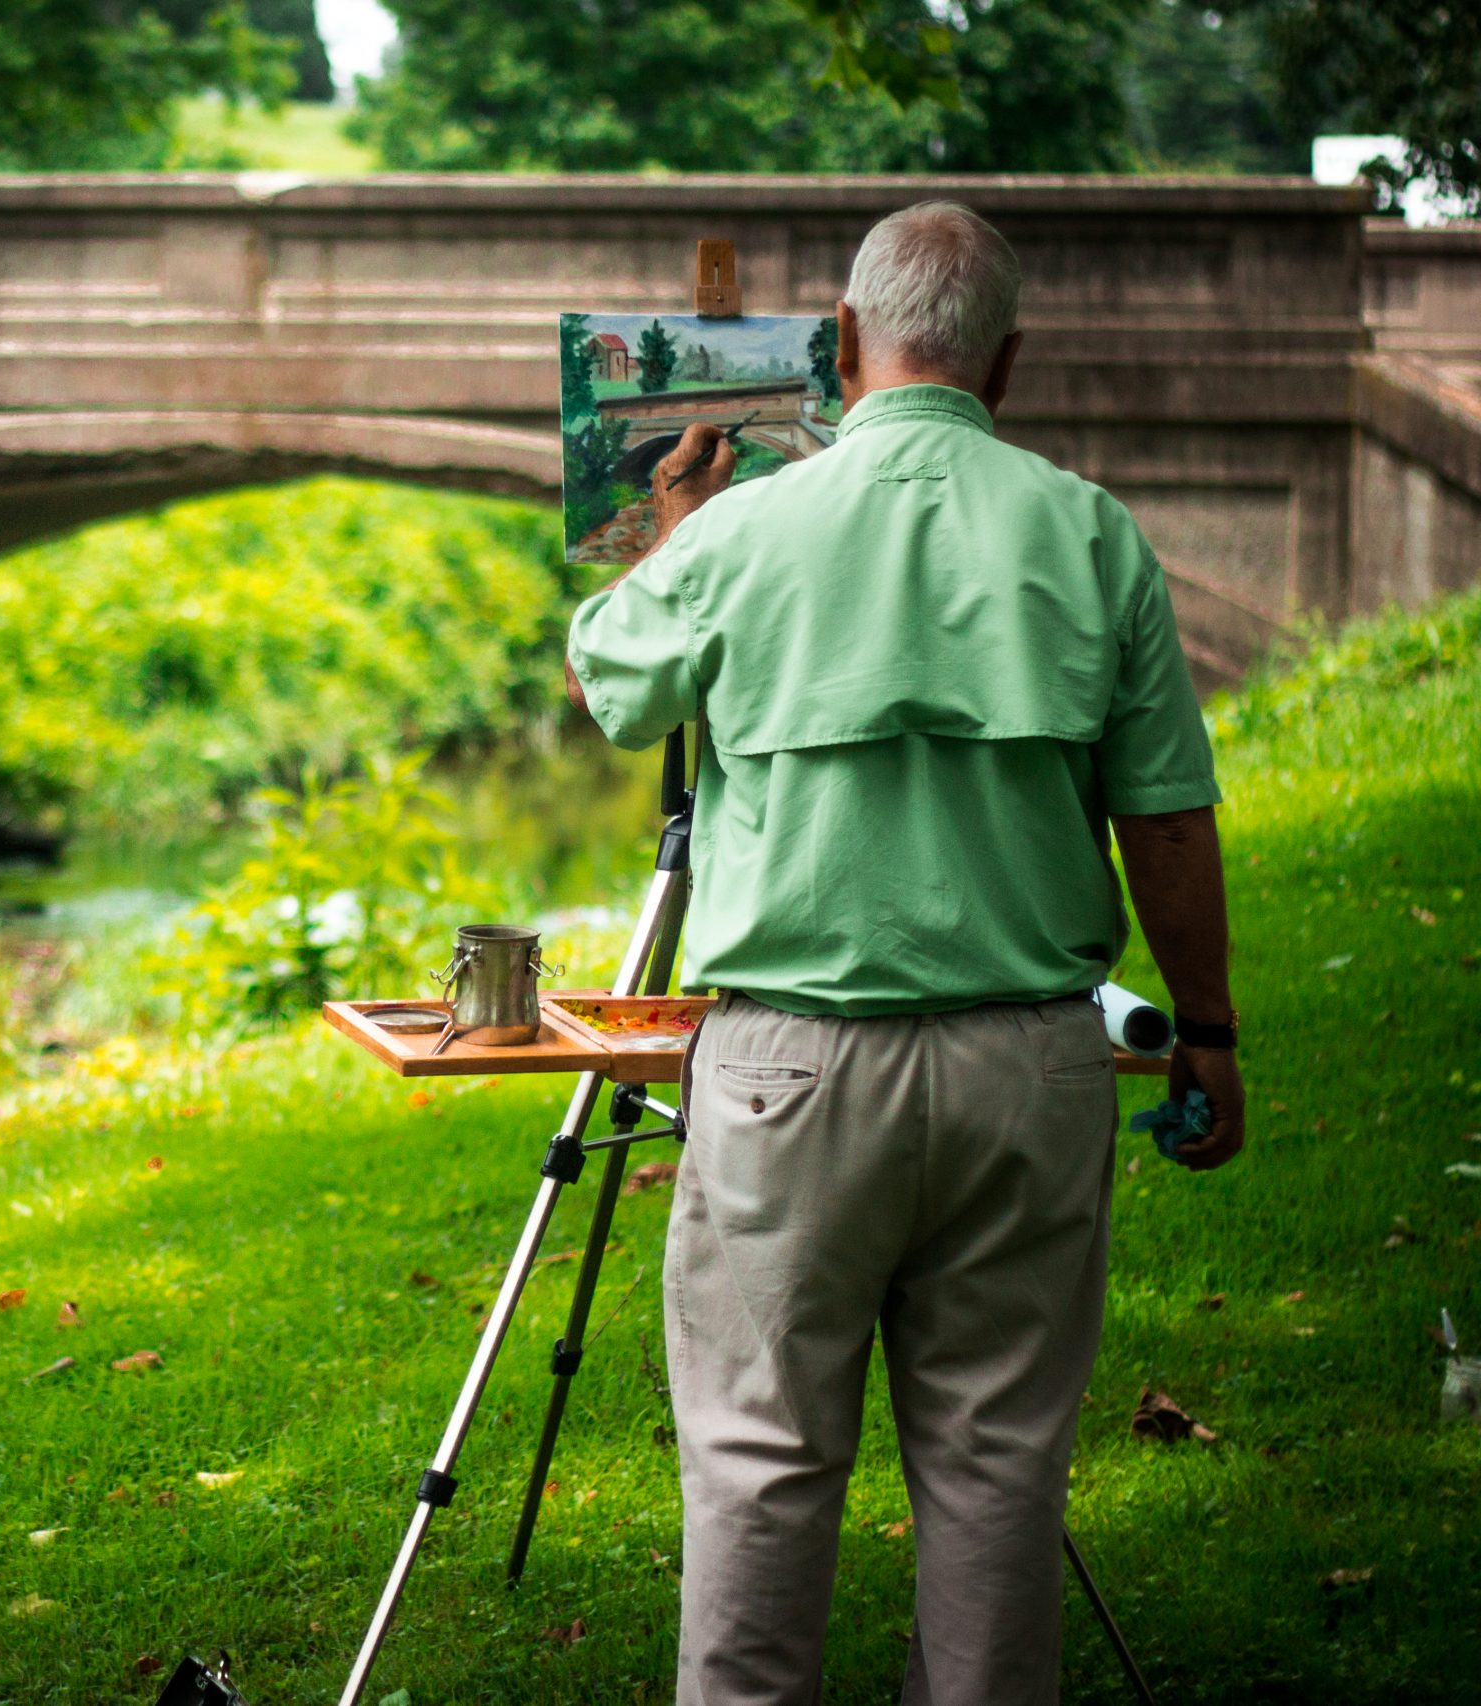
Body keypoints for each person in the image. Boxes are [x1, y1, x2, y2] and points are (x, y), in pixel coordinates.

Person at [563, 201, 1246, 1706]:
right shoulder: (1088, 531)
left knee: (760, 1466)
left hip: (791, 1073)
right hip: (1030, 1061)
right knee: (1001, 1469)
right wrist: (1209, 1030)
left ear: (847, 343)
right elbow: (1172, 821)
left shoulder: (749, 527)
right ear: (1006, 366)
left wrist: (676, 544)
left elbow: (613, 683)